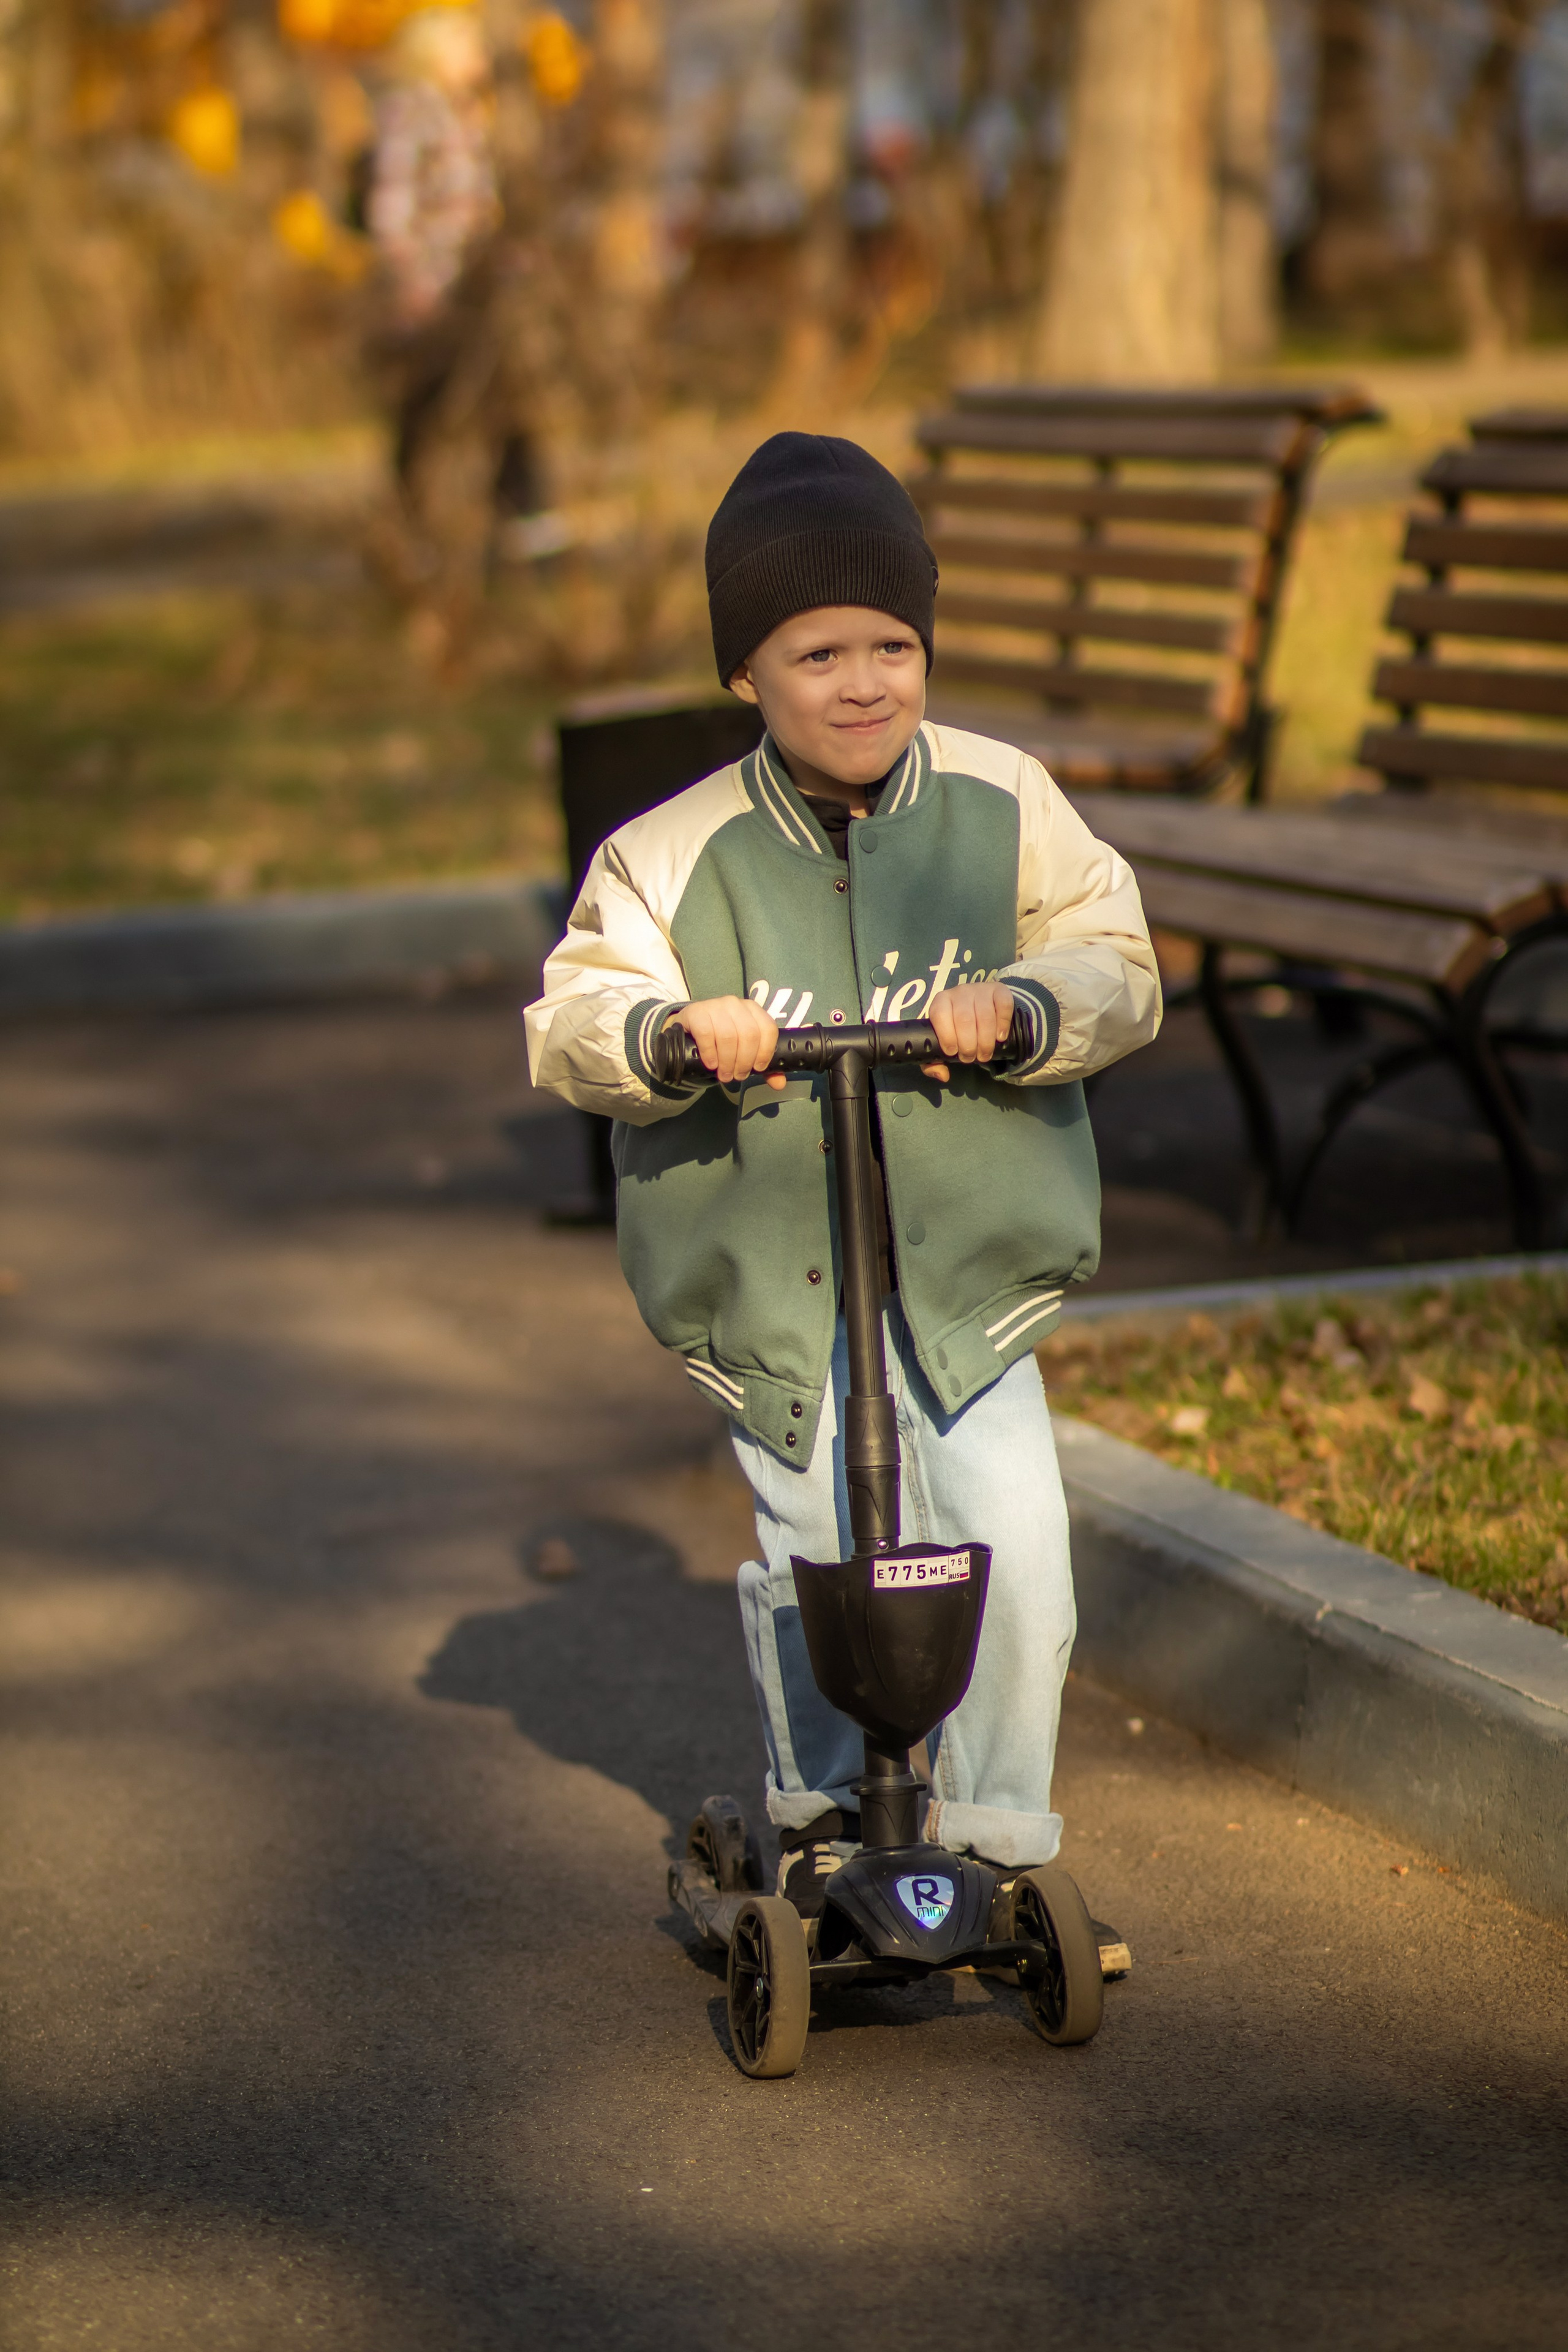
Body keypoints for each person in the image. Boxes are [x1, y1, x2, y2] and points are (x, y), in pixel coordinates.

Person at [524, 433, 1161, 1914]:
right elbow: (569, 1022)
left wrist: (1027, 1007)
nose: (864, 681)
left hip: (963, 1278)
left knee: (1009, 1538)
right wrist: (674, 1034)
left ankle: (997, 1839)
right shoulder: (667, 853)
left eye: (893, 644)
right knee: (816, 1547)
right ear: (745, 672)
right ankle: (822, 1808)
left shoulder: (1005, 804)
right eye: (818, 652)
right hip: (773, 1290)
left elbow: (1112, 956)